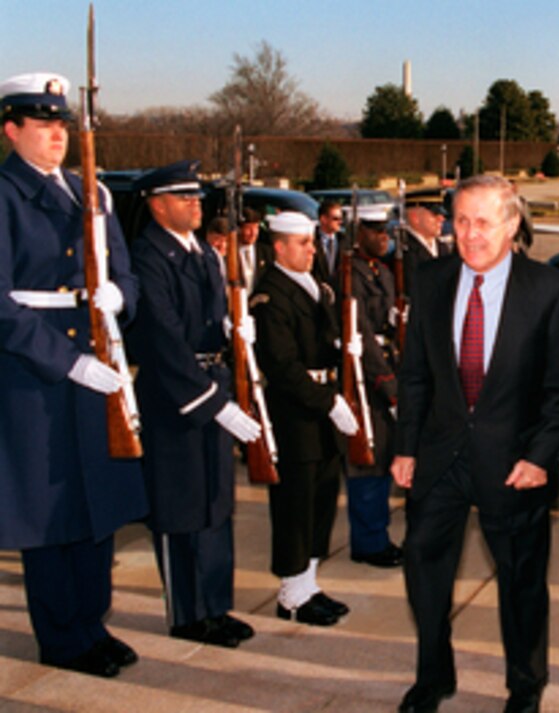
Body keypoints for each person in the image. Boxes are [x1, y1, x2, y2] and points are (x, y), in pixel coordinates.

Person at [391, 175, 559, 713]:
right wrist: (406, 448)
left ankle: (525, 685)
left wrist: (541, 457)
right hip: (439, 456)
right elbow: (416, 374)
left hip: (514, 464)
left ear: (512, 223)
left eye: (483, 222)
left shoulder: (550, 291)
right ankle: (433, 676)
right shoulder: (430, 280)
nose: (469, 235)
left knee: (521, 584)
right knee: (424, 573)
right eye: (461, 221)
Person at [0, 71, 147, 679]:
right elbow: (2, 305)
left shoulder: (91, 193)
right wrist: (68, 361)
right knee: (51, 512)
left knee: (96, 505)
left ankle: (94, 621)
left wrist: (119, 298)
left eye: (61, 125)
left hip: (98, 369)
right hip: (37, 377)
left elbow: (126, 272)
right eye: (42, 124)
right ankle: (61, 637)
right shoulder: (5, 196)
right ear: (12, 130)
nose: (56, 136)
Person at [127, 160, 260, 648]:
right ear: (157, 204)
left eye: (197, 197)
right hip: (175, 398)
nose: (195, 205)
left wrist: (233, 331)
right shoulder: (149, 256)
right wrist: (210, 400)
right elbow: (160, 338)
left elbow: (211, 316)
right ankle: (188, 614)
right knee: (179, 509)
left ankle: (215, 605)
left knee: (215, 504)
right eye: (184, 198)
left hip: (213, 382)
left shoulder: (203, 253)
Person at [251, 211, 360, 627]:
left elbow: (325, 344)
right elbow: (282, 366)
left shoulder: (318, 287)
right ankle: (291, 594)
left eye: (312, 242)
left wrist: (346, 349)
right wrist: (328, 402)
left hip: (323, 404)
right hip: (296, 412)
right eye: (302, 243)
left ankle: (308, 584)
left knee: (321, 499)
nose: (312, 249)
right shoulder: (270, 296)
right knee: (295, 505)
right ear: (279, 247)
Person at [344, 204, 403, 568]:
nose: (384, 238)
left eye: (387, 232)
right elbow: (361, 333)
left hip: (389, 365)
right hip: (366, 377)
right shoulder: (348, 275)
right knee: (367, 461)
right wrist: (387, 385)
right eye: (376, 231)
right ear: (359, 233)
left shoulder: (381, 271)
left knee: (384, 459)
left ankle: (377, 534)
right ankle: (368, 541)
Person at [311, 199, 345, 287]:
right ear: (323, 219)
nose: (340, 222)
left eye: (341, 218)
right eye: (336, 219)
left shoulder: (344, 240)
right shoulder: (311, 239)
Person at [238, 207, 272, 292]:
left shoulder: (267, 253)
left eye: (256, 227)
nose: (253, 233)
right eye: (249, 228)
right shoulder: (229, 252)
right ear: (239, 229)